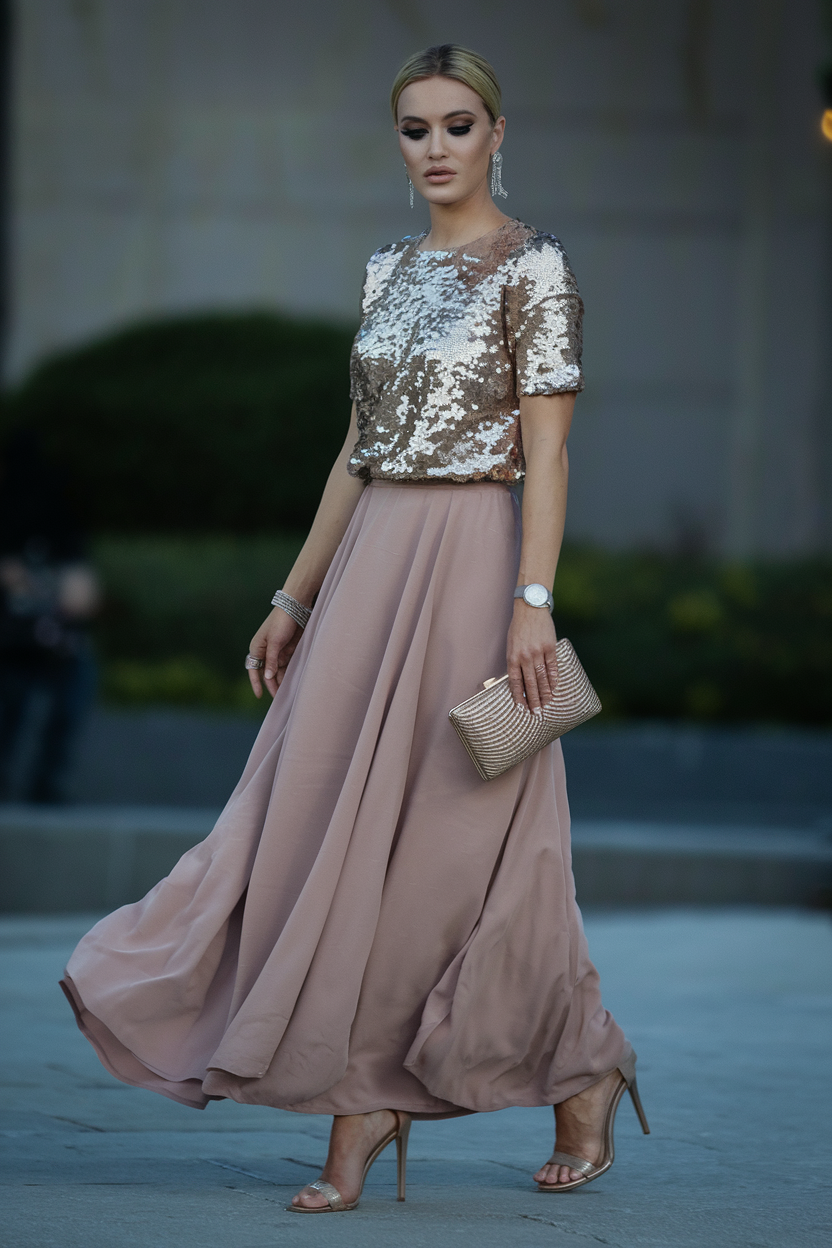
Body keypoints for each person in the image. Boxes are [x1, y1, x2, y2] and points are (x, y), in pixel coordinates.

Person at [61, 44, 649, 1213]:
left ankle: (549, 1070)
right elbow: (354, 449)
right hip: (372, 562)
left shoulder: (535, 267)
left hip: (475, 569)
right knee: (310, 820)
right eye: (414, 129)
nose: (434, 148)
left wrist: (532, 607)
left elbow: (547, 453)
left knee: (460, 848)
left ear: (497, 133)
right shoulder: (385, 270)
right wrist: (293, 595)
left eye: (456, 125)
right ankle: (379, 1091)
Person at [0, 430, 99, 803]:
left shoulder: (55, 514)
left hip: (54, 638)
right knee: (14, 704)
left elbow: (82, 587)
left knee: (71, 694)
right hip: (11, 640)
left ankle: (47, 782)